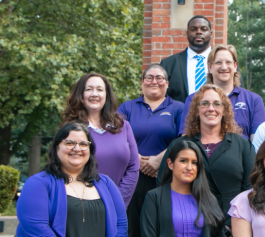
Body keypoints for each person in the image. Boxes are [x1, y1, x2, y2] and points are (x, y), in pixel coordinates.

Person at [158, 85, 256, 233]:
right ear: (196, 111)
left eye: (217, 104)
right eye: (205, 104)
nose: (211, 108)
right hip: (188, 226)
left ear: (224, 111)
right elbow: (163, 184)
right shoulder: (180, 144)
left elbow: (251, 188)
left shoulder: (242, 146)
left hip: (232, 225)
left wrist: (231, 224)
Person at [16, 122, 128, 237]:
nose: (77, 148)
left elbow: (120, 225)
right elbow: (37, 228)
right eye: (69, 143)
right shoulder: (38, 183)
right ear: (56, 148)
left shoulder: (106, 183)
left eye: (84, 144)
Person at [119, 65, 186, 237]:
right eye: (149, 77)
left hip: (164, 177)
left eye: (159, 78)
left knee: (160, 226)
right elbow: (117, 136)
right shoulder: (127, 107)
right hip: (132, 177)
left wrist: (159, 160)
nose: (154, 81)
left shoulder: (178, 108)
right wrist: (137, 158)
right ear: (142, 82)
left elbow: (184, 138)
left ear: (167, 83)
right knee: (132, 226)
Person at [62, 73, 138, 207]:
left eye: (99, 89)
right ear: (81, 95)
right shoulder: (70, 129)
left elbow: (133, 167)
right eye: (89, 89)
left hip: (117, 205)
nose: (94, 94)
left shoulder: (123, 126)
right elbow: (65, 168)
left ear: (106, 95)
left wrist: (117, 201)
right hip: (82, 205)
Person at [141, 140, 226, 237]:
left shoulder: (209, 199)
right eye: (183, 161)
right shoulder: (154, 197)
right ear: (170, 164)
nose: (189, 167)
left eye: (194, 163)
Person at [181, 45, 265, 140]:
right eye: (218, 62)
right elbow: (186, 138)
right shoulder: (193, 99)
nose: (224, 67)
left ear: (235, 66)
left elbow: (258, 142)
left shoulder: (253, 100)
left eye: (228, 62)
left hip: (241, 154)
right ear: (210, 67)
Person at [161, 15, 214, 102]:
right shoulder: (168, 64)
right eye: (193, 29)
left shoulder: (226, 63)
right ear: (187, 33)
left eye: (203, 29)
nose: (198, 32)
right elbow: (160, 98)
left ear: (211, 33)